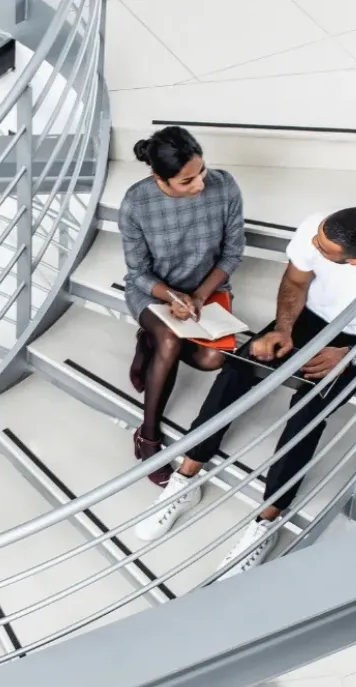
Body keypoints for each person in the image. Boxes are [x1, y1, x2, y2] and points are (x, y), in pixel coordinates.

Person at [134, 208, 356, 573]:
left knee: (309, 409)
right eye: (317, 239)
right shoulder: (318, 228)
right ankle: (187, 476)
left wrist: (351, 356)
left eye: (323, 250)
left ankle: (267, 520)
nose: (313, 247)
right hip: (308, 317)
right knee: (238, 369)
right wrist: (283, 329)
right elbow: (295, 283)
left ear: (354, 261)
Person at [122, 126, 246, 486]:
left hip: (207, 290)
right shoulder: (136, 203)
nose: (200, 185)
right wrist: (172, 297)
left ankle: (149, 343)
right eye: (187, 181)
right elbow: (138, 272)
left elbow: (232, 252)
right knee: (171, 340)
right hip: (153, 293)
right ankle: (148, 437)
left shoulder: (225, 186)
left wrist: (198, 297)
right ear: (159, 178)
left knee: (214, 359)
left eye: (202, 171)